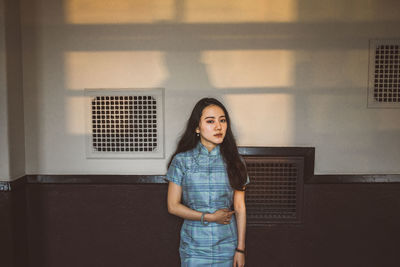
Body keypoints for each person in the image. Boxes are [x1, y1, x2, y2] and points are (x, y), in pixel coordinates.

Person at [166, 97, 249, 267]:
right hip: (194, 247)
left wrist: (240, 249)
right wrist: (210, 217)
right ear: (197, 127)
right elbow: (173, 206)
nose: (218, 126)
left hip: (227, 244)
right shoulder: (182, 161)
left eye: (223, 120)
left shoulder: (235, 161)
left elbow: (240, 208)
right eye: (210, 121)